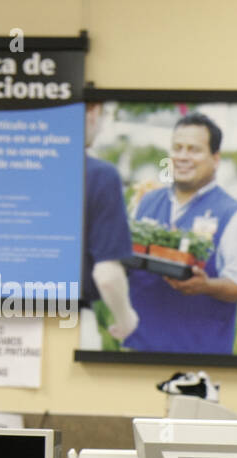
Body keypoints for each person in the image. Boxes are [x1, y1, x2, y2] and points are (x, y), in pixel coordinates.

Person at [124, 112, 237, 353]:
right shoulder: (145, 203)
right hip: (138, 352)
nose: (183, 157)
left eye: (194, 150)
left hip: (201, 360)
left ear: (216, 159)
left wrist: (206, 286)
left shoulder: (234, 215)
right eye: (177, 148)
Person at [81, 101, 140, 347]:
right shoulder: (99, 176)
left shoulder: (0, 167)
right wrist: (126, 319)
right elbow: (107, 275)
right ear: (92, 113)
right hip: (65, 318)